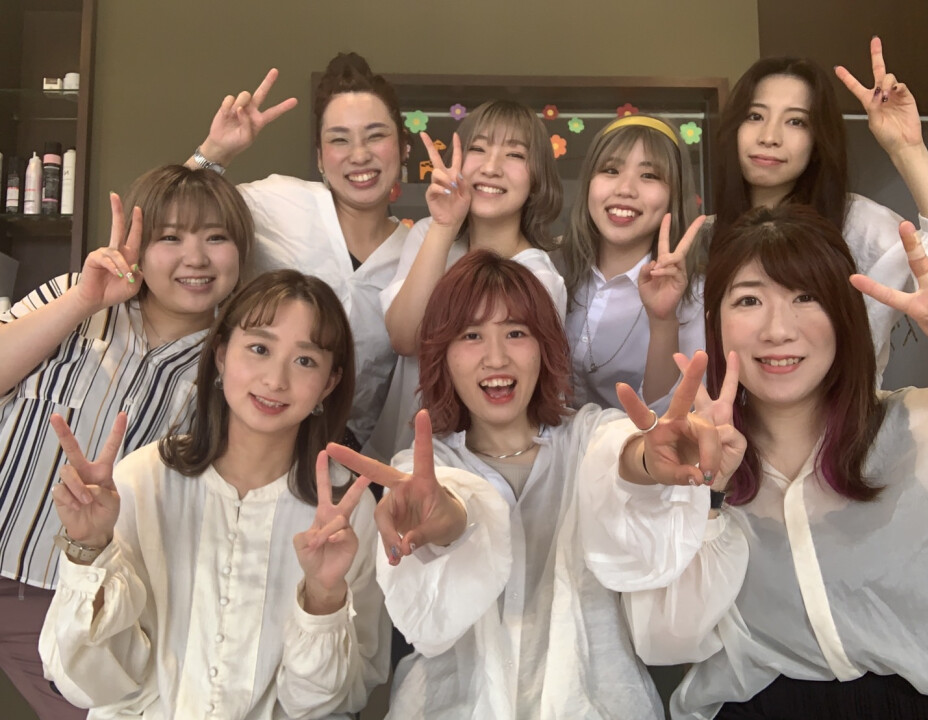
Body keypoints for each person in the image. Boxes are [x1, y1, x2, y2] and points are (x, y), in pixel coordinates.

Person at [607, 205, 928, 719]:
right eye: (749, 300)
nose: (777, 330)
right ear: (715, 323)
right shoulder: (686, 462)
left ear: (845, 315)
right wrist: (707, 497)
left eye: (806, 296)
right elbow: (663, 643)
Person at [328, 251, 714, 718]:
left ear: (544, 346)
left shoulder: (587, 436)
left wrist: (649, 462)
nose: (496, 357)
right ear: (442, 354)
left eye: (515, 332)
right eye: (471, 335)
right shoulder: (423, 470)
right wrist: (444, 524)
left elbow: (619, 459)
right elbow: (454, 507)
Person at [40, 270, 390, 719]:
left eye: (305, 360)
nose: (276, 380)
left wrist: (323, 599)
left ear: (329, 383)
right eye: (259, 349)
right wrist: (90, 549)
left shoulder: (346, 510)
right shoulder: (143, 479)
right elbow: (90, 682)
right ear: (221, 355)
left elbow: (327, 702)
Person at [0, 165, 251, 719]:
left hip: (78, 591)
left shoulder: (236, 364)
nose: (195, 258)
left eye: (216, 237)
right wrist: (83, 301)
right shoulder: (74, 297)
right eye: (170, 237)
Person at [186, 52, 411, 450]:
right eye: (339, 139)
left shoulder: (419, 254)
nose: (359, 154)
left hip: (350, 458)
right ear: (321, 158)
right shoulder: (279, 203)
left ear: (403, 147)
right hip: (242, 437)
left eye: (376, 136)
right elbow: (174, 219)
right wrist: (216, 151)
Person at [710, 37, 928, 377]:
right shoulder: (705, 238)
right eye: (755, 116)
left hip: (849, 412)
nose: (769, 136)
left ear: (818, 139)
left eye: (796, 121)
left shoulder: (860, 226)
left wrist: (908, 149)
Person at [369, 100, 566, 458]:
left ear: (537, 179)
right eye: (478, 148)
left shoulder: (539, 278)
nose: (491, 168)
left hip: (477, 465)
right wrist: (445, 226)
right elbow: (405, 338)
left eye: (515, 155)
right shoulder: (430, 233)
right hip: (398, 453)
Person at [558, 115, 707, 414]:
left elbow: (672, 415)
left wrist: (663, 323)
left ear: (674, 194)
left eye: (649, 175)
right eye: (610, 170)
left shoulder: (695, 295)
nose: (625, 189)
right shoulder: (553, 270)